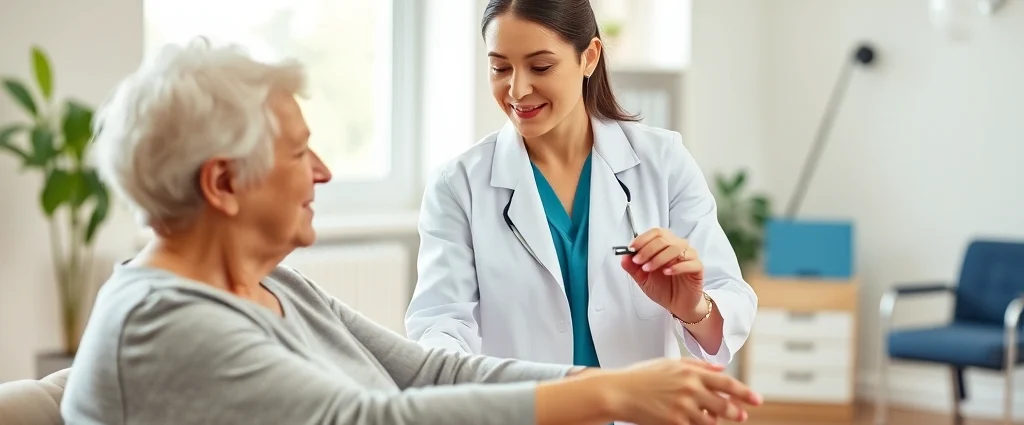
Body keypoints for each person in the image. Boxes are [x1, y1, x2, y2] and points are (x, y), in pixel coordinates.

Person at [59, 38, 761, 425]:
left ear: (588, 59)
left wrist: (625, 380)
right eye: (301, 152)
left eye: (540, 65)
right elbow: (368, 418)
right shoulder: (163, 321)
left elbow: (427, 372)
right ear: (222, 183)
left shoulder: (276, 288)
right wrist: (612, 393)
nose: (324, 171)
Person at [406, 0, 758, 378]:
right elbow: (439, 324)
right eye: (500, 67)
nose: (517, 89)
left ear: (588, 57)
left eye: (540, 66)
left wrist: (692, 306)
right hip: (525, 412)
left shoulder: (663, 162)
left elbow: (730, 301)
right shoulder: (458, 186)